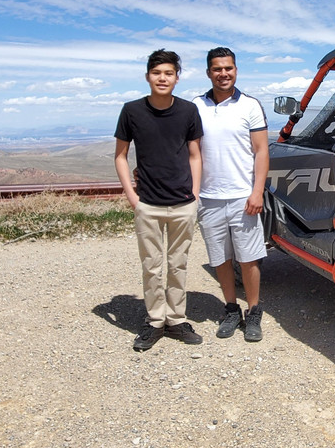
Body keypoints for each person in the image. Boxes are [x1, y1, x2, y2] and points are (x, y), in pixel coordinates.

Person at [114, 49, 204, 352]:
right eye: (156, 73)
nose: (162, 78)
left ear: (177, 78)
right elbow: (121, 156)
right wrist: (132, 196)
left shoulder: (188, 111)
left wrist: (195, 193)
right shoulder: (132, 111)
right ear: (147, 77)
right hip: (148, 204)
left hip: (183, 203)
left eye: (168, 73)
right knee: (152, 266)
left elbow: (195, 154)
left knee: (178, 264)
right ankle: (155, 321)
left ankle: (176, 319)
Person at [192, 47, 270, 342]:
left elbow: (261, 151)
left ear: (236, 70)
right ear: (209, 72)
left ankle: (254, 312)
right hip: (208, 197)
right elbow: (189, 151)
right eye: (217, 69)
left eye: (228, 68)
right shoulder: (195, 106)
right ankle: (230, 309)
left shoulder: (250, 106)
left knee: (249, 258)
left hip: (243, 196)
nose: (223, 73)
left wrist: (257, 191)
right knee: (220, 258)